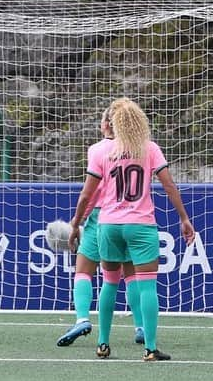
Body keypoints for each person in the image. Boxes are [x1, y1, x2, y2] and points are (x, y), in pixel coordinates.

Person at [68, 97, 195, 361]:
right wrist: (183, 218)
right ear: (139, 122)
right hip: (140, 224)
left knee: (109, 284)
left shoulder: (102, 151)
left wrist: (76, 224)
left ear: (112, 124)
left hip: (109, 224)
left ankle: (103, 344)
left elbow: (85, 196)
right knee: (146, 286)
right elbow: (169, 186)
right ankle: (150, 348)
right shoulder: (149, 148)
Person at [57, 108, 145, 347]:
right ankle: (140, 326)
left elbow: (89, 193)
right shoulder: (138, 148)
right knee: (131, 275)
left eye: (101, 119)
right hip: (133, 215)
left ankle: (83, 319)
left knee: (84, 271)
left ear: (107, 123)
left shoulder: (97, 150)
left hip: (103, 217)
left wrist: (76, 223)